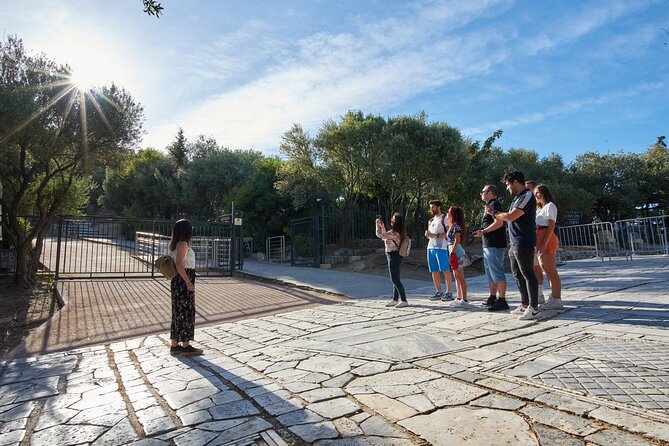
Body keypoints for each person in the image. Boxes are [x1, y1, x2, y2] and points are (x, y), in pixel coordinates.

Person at [486, 170, 540, 320]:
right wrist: (497, 213)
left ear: (515, 182)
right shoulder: (517, 198)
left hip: (524, 241)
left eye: (508, 185)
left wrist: (494, 213)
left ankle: (534, 308)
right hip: (515, 242)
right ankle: (524, 304)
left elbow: (511, 216)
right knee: (517, 274)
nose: (507, 188)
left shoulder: (527, 195)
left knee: (528, 273)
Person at [168, 219, 203, 356]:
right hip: (183, 280)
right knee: (186, 312)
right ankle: (186, 345)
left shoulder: (174, 244)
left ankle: (175, 345)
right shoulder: (183, 244)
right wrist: (188, 282)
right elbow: (179, 265)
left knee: (177, 312)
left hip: (177, 280)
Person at [473, 185, 509, 312]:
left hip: (494, 244)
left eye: (482, 192)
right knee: (491, 274)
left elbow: (499, 222)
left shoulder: (494, 204)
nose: (481, 194)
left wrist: (483, 231)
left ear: (489, 193)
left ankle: (502, 300)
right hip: (488, 244)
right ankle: (493, 297)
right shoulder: (490, 205)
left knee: (497, 272)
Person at [534, 184, 564, 310]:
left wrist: (544, 243)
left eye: (538, 192)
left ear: (544, 193)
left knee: (551, 270)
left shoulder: (550, 206)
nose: (536, 195)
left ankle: (557, 298)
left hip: (547, 238)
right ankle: (553, 296)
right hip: (539, 239)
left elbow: (551, 226)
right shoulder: (539, 208)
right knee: (546, 269)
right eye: (535, 193)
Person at [376, 212, 409, 308]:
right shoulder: (395, 232)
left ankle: (404, 299)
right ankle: (395, 299)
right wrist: (382, 226)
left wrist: (377, 225)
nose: (391, 220)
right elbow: (384, 236)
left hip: (394, 255)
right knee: (396, 277)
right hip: (393, 255)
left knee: (394, 279)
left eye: (393, 219)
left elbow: (380, 235)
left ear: (396, 222)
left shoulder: (394, 233)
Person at [425, 200, 454, 301]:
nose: (431, 209)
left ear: (439, 207)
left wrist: (435, 235)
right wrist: (429, 235)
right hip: (431, 247)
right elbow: (431, 235)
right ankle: (438, 292)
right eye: (430, 207)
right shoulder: (431, 220)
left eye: (433, 207)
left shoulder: (444, 218)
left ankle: (449, 292)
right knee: (434, 270)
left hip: (441, 248)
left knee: (445, 270)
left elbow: (448, 234)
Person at [525, 180, 545, 304]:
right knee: (532, 266)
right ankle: (535, 293)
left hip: (538, 238)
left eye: (529, 189)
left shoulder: (541, 206)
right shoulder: (528, 205)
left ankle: (541, 292)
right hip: (530, 239)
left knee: (540, 267)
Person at [446, 206, 468, 307]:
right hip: (453, 250)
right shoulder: (451, 226)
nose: (447, 214)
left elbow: (457, 240)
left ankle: (464, 299)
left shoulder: (456, 227)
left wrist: (452, 253)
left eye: (448, 212)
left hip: (456, 252)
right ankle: (459, 297)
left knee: (460, 276)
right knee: (456, 276)